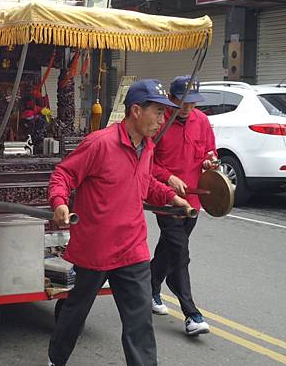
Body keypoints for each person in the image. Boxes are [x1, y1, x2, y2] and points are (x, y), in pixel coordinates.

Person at [47, 79, 191, 366]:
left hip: (132, 249)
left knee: (139, 321)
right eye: (158, 113)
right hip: (95, 249)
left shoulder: (147, 147)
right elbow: (63, 174)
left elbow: (143, 182)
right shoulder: (100, 143)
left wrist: (169, 196)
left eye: (165, 114)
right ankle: (56, 360)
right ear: (136, 111)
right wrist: (60, 202)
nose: (162, 120)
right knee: (75, 313)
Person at [150, 76, 218, 336]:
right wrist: (168, 177)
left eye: (192, 102)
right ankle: (192, 315)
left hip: (194, 199)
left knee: (169, 249)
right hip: (166, 200)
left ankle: (150, 285)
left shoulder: (201, 121)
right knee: (180, 253)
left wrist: (210, 162)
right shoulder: (159, 122)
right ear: (171, 97)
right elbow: (146, 161)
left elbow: (210, 152)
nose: (188, 107)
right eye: (182, 101)